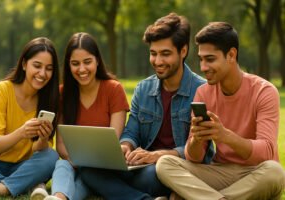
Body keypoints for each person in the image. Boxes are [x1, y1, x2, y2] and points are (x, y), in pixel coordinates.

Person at [78, 13, 214, 200]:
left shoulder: (202, 90)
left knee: (154, 174)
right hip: (142, 166)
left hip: (178, 168)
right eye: (153, 53)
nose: (157, 61)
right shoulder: (143, 89)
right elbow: (131, 131)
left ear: (183, 51)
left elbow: (201, 150)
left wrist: (159, 156)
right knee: (88, 168)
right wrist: (125, 146)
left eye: (165, 54)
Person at [156, 22, 285, 200]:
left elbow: (266, 152)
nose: (203, 67)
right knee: (165, 164)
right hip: (220, 172)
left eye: (210, 59)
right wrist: (196, 138)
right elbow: (194, 158)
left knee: (275, 172)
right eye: (201, 59)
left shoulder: (264, 91)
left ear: (231, 55)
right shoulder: (203, 92)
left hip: (256, 172)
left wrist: (224, 136)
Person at [36, 32, 130, 200]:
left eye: (87, 62)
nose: (82, 69)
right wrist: (75, 161)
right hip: (73, 163)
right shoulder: (63, 93)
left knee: (86, 175)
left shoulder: (114, 89)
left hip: (104, 168)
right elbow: (61, 146)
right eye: (75, 64)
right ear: (68, 65)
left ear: (97, 61)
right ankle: (58, 198)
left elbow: (113, 140)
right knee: (62, 164)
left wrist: (85, 164)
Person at [0, 37, 60, 197]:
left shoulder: (49, 99)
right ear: (24, 64)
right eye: (37, 66)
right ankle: (29, 184)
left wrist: (42, 139)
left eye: (49, 68)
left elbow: (38, 152)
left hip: (24, 166)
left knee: (51, 157)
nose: (42, 73)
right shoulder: (2, 90)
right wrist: (21, 132)